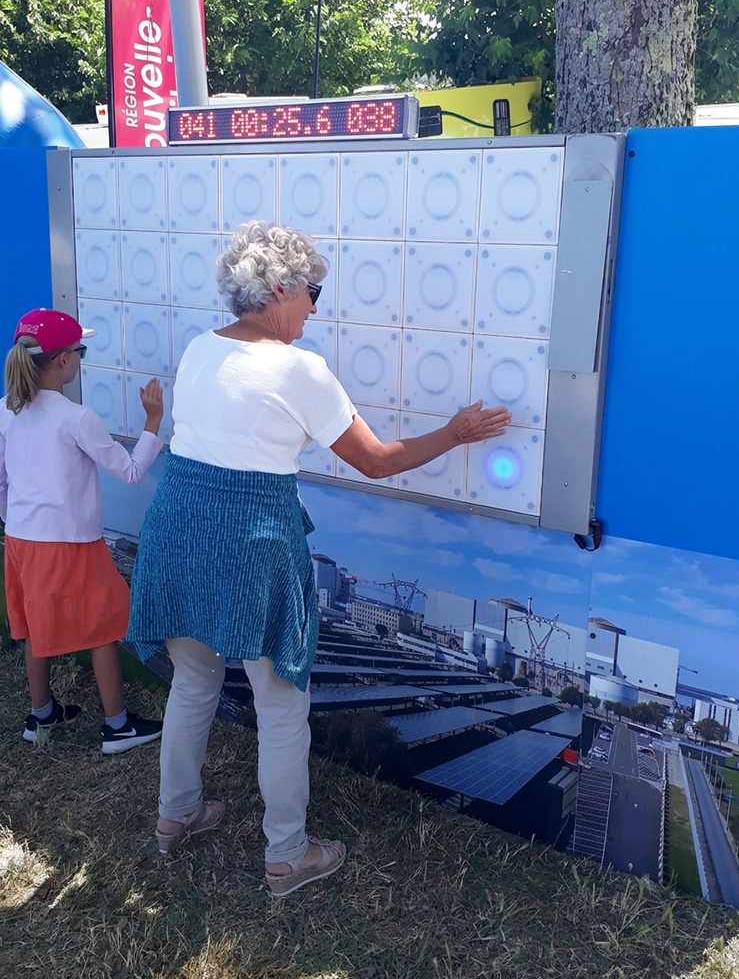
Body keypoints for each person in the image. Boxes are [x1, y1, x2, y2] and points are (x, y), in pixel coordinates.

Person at [127, 221, 512, 894]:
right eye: (313, 292)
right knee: (280, 706)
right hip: (254, 542)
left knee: (192, 683)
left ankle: (175, 817)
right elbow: (375, 460)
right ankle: (286, 855)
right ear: (278, 290)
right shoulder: (300, 370)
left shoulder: (197, 350)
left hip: (177, 530)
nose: (315, 307)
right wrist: (457, 431)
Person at [0, 308, 165, 754]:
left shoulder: (5, 412)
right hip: (70, 543)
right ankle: (117, 726)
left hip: (20, 540)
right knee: (103, 627)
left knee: (36, 625)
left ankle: (42, 716)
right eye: (80, 350)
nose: (81, 358)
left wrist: (17, 521)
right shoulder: (76, 418)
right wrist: (152, 422)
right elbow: (130, 472)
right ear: (63, 362)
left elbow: (2, 482)